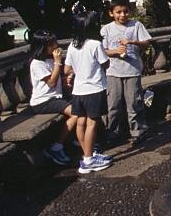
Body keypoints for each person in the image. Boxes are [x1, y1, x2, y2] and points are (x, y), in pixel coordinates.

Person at [64, 11, 113, 174]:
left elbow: (67, 68)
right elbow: (105, 64)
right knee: (92, 123)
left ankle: (87, 156)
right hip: (94, 88)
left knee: (80, 122)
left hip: (78, 90)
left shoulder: (72, 45)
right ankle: (89, 159)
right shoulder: (95, 44)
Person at [101, 0, 151, 145]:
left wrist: (133, 42)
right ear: (112, 13)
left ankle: (138, 131)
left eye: (125, 11)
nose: (122, 15)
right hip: (112, 72)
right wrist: (115, 52)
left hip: (132, 70)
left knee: (134, 103)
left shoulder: (136, 26)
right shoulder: (106, 29)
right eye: (119, 12)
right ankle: (113, 132)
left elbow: (146, 43)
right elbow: (102, 50)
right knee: (113, 104)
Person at [27, 29, 76, 166]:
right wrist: (57, 62)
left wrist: (66, 80)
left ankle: (74, 140)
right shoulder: (37, 63)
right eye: (51, 44)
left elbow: (57, 81)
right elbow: (51, 82)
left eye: (55, 43)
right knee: (75, 113)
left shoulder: (49, 60)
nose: (55, 47)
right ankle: (56, 147)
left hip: (55, 97)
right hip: (43, 101)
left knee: (82, 104)